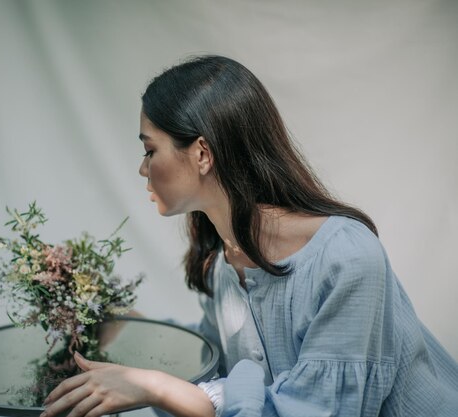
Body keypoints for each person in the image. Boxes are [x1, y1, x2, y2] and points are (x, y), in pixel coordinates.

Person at [40, 55, 458, 417]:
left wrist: (154, 386)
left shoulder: (347, 258)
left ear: (202, 154)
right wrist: (107, 311)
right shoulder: (224, 261)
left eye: (150, 150)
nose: (142, 169)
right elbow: (209, 358)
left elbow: (317, 407)